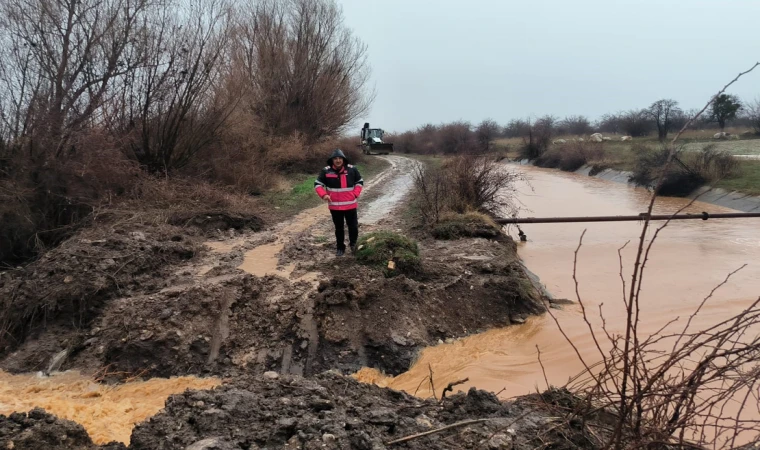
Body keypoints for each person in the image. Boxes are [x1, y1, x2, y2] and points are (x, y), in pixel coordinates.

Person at [314, 149, 364, 256]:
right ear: (332, 160)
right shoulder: (326, 171)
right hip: (335, 207)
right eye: (335, 159)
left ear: (343, 159)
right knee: (339, 228)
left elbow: (359, 182)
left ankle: (353, 245)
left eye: (340, 158)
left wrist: (355, 194)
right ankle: (340, 247)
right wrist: (324, 195)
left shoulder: (352, 169)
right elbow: (317, 184)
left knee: (353, 226)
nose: (338, 160)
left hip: (350, 205)